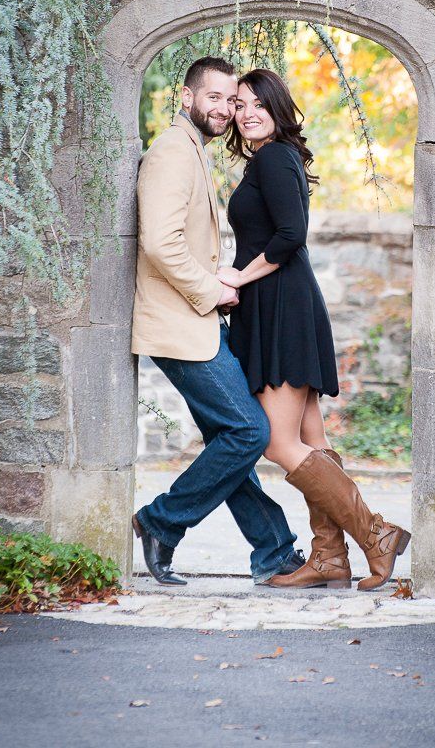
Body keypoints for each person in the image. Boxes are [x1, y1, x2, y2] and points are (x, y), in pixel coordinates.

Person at [218, 68, 411, 591]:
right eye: (240, 104)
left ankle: (376, 533)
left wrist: (238, 276)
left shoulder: (274, 157)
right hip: (283, 304)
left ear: (278, 109)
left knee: (277, 443)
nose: (248, 113)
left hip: (280, 306)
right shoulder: (273, 158)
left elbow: (290, 236)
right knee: (311, 438)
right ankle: (329, 558)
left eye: (259, 104)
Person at [130, 56, 304, 587]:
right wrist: (214, 288)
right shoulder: (172, 152)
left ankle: (273, 550)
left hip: (198, 320)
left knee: (230, 438)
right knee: (248, 431)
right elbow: (160, 243)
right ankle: (161, 521)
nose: (227, 109)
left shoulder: (193, 150)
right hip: (179, 324)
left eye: (232, 100)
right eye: (216, 97)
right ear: (187, 97)